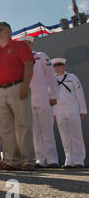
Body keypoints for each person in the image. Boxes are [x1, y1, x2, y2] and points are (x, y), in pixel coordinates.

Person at [0, 21, 35, 171]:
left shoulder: (20, 46)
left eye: (1, 29)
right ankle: (10, 160)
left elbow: (28, 65)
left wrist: (25, 86)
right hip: (0, 92)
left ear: (9, 31)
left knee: (23, 125)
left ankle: (27, 160)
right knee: (4, 127)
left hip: (18, 87)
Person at [18, 35, 59, 168]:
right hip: (28, 99)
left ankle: (52, 159)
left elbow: (51, 76)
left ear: (31, 44)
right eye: (23, 44)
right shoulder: (19, 60)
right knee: (35, 132)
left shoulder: (41, 56)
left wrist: (53, 95)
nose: (26, 45)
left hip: (43, 98)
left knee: (47, 129)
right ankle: (40, 159)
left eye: (28, 43)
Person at [52, 58, 87, 169]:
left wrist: (82, 110)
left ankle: (79, 160)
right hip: (59, 111)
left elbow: (80, 94)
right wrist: (53, 113)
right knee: (65, 136)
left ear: (64, 66)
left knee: (76, 135)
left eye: (60, 65)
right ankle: (69, 160)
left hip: (73, 110)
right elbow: (51, 98)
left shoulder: (72, 78)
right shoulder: (51, 80)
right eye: (55, 66)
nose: (58, 68)